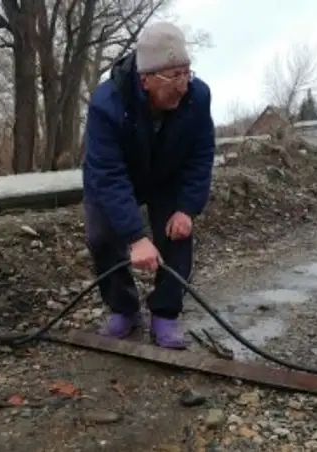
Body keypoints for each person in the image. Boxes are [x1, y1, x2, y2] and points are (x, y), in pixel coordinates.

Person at [81, 22, 215, 350]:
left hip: (166, 174)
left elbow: (201, 155)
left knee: (178, 233)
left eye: (187, 72)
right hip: (119, 175)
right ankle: (124, 308)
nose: (183, 85)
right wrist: (136, 237)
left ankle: (166, 312)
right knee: (102, 236)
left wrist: (187, 208)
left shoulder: (198, 97)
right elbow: (108, 175)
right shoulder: (106, 103)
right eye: (174, 76)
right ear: (146, 79)